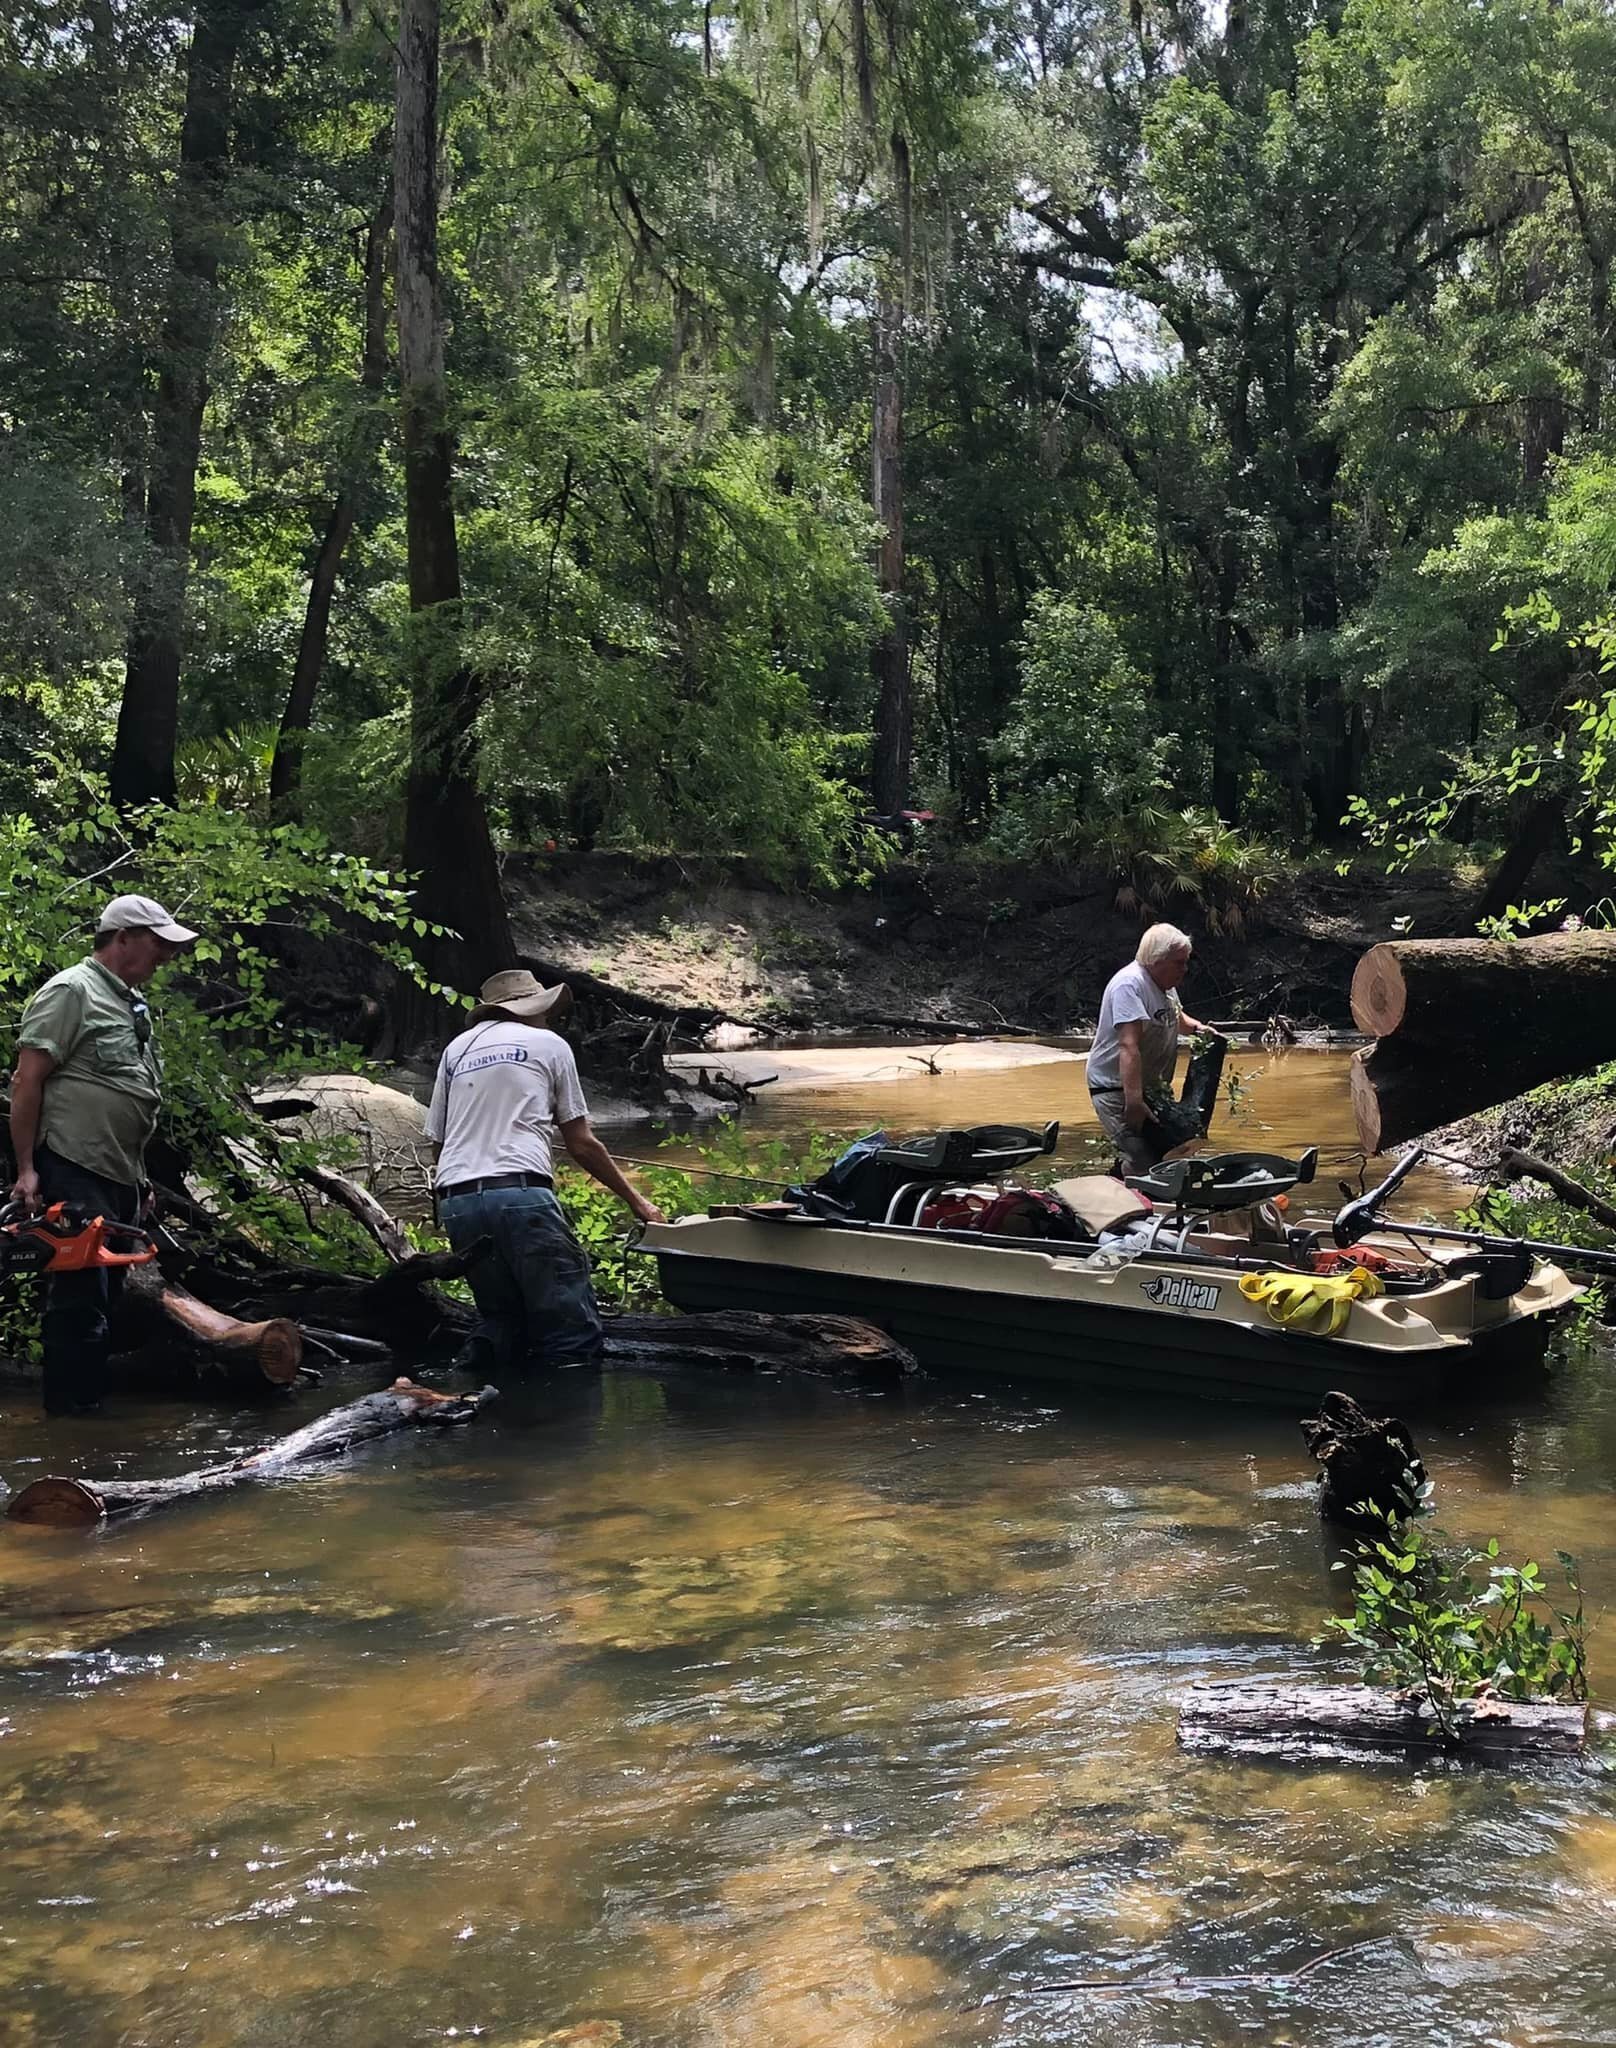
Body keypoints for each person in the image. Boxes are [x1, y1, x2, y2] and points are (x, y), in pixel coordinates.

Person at [9, 893, 198, 1413]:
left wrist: (139, 1186)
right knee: (78, 1302)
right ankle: (71, 1430)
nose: (167, 955)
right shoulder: (72, 991)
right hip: (71, 1166)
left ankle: (85, 1422)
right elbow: (27, 1080)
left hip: (117, 1175)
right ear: (122, 939)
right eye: (158, 943)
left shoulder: (131, 1004)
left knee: (105, 1300)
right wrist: (26, 1170)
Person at [426, 968, 665, 1375]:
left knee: (502, 1320)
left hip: (458, 1201)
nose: (547, 1017)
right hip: (520, 1196)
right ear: (529, 1009)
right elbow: (582, 1144)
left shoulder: (457, 1050)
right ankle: (566, 1428)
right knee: (569, 1331)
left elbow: (438, 1144)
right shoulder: (548, 1044)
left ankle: (475, 1403)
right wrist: (639, 1203)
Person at [1085, 923, 1219, 1177]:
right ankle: (1127, 1207)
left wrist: (1200, 1030)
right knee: (1143, 1158)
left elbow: (1177, 1018)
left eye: (1185, 961)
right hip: (1116, 1088)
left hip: (1152, 1088)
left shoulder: (1166, 986)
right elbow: (1128, 1044)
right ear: (1157, 960)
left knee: (1171, 1149)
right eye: (1179, 962)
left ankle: (1118, 1182)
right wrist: (1133, 1101)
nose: (1185, 968)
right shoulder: (1129, 985)